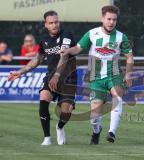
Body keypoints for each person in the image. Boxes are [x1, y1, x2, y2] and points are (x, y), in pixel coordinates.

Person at [59, 5, 134, 144]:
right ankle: (96, 130)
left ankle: (111, 132)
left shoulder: (121, 36)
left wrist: (128, 74)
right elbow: (78, 48)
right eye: (109, 19)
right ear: (102, 19)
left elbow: (129, 57)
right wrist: (68, 51)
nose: (111, 22)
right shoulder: (92, 33)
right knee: (94, 116)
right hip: (96, 76)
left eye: (114, 20)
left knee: (117, 97)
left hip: (115, 73)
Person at [7, 10, 77, 145]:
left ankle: (60, 127)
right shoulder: (44, 38)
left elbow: (64, 55)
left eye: (56, 22)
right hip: (51, 77)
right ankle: (47, 138)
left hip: (68, 79)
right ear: (46, 24)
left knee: (65, 112)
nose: (55, 25)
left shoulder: (66, 35)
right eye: (51, 23)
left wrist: (57, 75)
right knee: (44, 97)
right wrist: (21, 72)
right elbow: (38, 58)